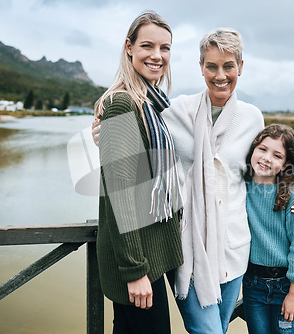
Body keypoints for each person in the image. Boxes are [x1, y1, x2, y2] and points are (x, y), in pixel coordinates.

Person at [92, 27, 294, 334]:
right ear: (201, 68)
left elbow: (262, 174)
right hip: (189, 249)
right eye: (212, 66)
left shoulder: (252, 118)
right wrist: (102, 134)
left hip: (235, 251)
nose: (220, 75)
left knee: (218, 329)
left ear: (240, 67)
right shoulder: (176, 111)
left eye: (228, 66)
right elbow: (138, 142)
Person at [94, 11, 183, 334]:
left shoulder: (153, 104)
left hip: (151, 256)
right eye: (148, 45)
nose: (157, 56)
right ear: (129, 47)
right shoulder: (123, 104)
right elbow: (120, 196)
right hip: (138, 263)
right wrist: (134, 271)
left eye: (165, 48)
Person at [242, 124, 294, 334]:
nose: (266, 158)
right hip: (252, 283)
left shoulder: (292, 196)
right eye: (262, 149)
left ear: (285, 165)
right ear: (253, 150)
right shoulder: (241, 188)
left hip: (286, 285)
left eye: (277, 155)